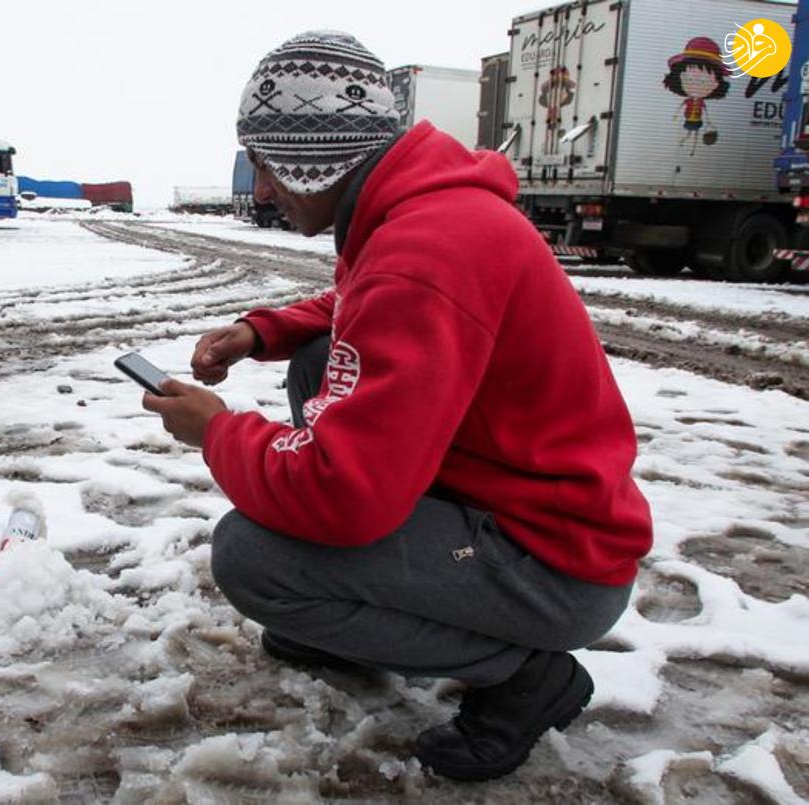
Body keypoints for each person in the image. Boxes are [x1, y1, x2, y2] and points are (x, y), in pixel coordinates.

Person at [141, 31, 652, 782]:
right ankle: (359, 624)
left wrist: (216, 430)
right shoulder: (426, 218)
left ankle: (523, 674)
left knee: (252, 558)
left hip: (553, 565)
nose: (260, 190)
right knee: (323, 360)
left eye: (271, 164)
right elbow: (366, 302)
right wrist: (264, 331)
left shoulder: (426, 250)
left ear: (321, 154)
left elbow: (342, 495)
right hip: (534, 517)